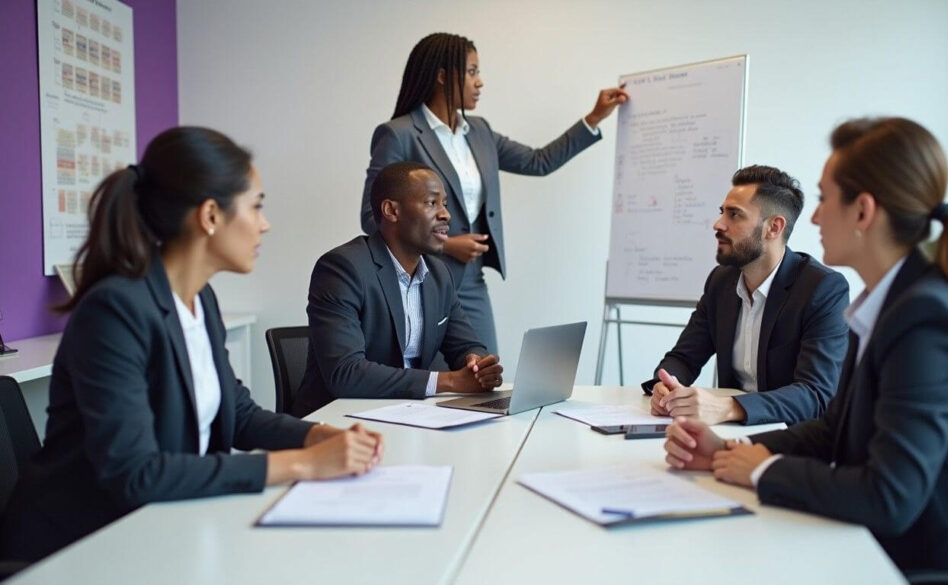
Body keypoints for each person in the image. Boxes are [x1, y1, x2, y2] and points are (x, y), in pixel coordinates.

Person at [0, 127, 384, 563]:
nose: (265, 223)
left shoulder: (199, 298)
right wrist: (305, 464)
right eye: (256, 206)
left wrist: (319, 435)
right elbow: (135, 473)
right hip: (81, 548)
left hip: (162, 527)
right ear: (210, 216)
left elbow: (236, 412)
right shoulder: (114, 311)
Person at [663, 117, 948, 579]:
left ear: (863, 211)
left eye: (824, 198)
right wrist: (728, 451)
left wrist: (762, 471)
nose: (812, 217)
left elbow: (888, 497)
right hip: (892, 544)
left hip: (943, 563)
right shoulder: (888, 301)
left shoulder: (927, 319)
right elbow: (834, 430)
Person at [359, 32, 628, 356]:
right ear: (444, 76)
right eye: (472, 71)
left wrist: (594, 118)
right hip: (420, 277)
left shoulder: (480, 132)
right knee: (434, 386)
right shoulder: (399, 134)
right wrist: (446, 244)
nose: (480, 81)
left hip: (471, 281)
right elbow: (372, 217)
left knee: (486, 377)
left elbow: (538, 161)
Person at [293, 162, 503, 417]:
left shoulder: (439, 274)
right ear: (391, 210)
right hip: (336, 422)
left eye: (444, 204)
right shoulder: (343, 269)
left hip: (409, 415)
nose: (445, 214)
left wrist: (477, 364)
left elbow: (467, 344)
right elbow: (345, 373)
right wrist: (449, 381)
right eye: (431, 203)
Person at [645, 165, 849, 425]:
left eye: (735, 215)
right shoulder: (721, 281)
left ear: (773, 228)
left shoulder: (822, 288)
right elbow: (684, 357)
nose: (718, 224)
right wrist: (664, 387)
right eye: (722, 213)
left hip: (791, 440)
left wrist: (728, 408)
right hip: (731, 432)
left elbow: (815, 394)